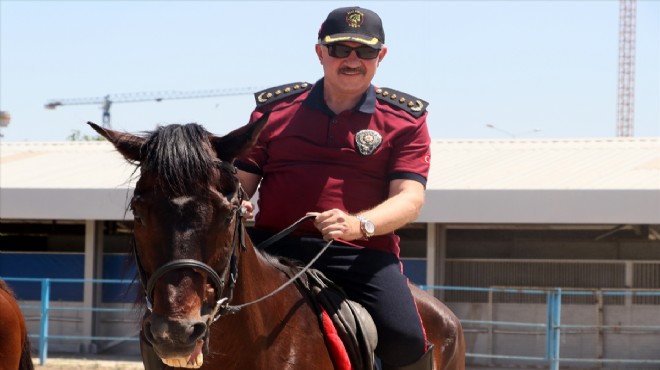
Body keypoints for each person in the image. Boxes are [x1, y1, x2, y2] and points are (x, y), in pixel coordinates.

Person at [235, 6, 433, 370]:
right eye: (341, 49)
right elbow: (240, 183)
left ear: (381, 56)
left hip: (361, 256)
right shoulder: (274, 112)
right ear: (320, 52)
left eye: (366, 51)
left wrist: (359, 225)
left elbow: (410, 198)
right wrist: (235, 201)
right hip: (270, 248)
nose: (353, 60)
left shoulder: (405, 120)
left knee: (406, 338)